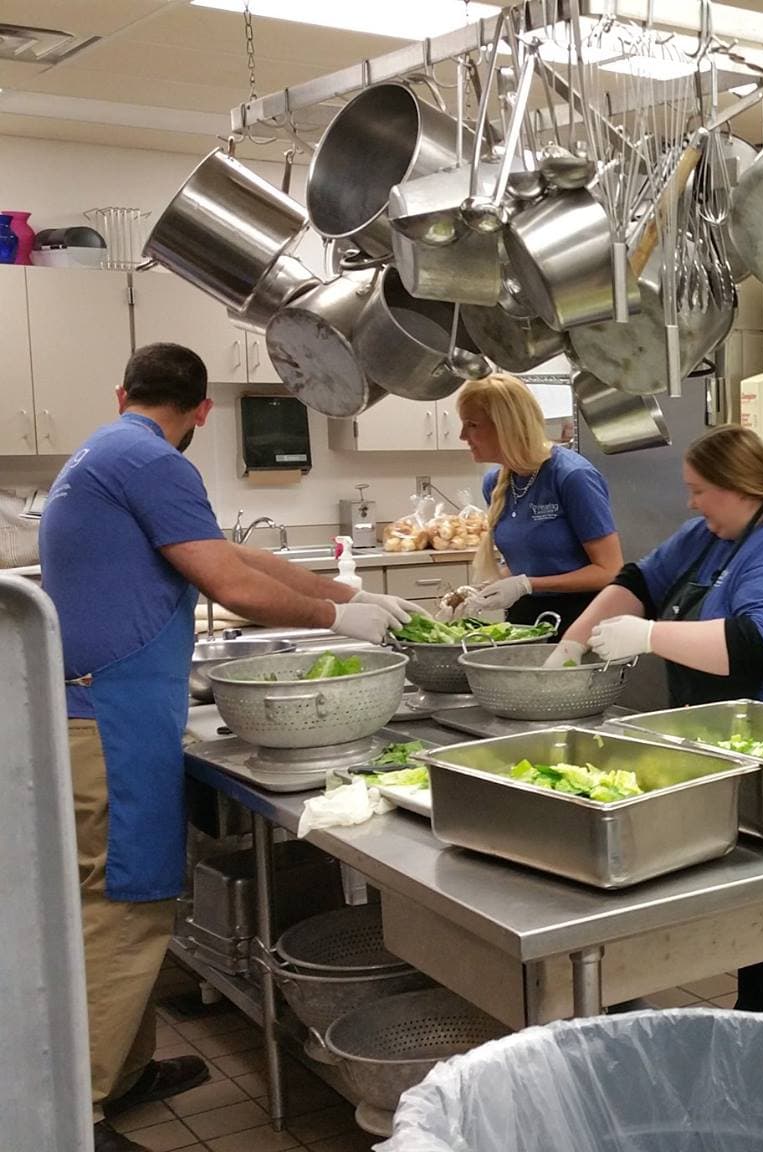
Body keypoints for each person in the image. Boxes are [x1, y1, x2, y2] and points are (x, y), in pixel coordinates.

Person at [38, 344, 413, 1152]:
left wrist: (346, 592)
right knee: (127, 903)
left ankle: (124, 1072)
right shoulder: (152, 462)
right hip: (111, 719)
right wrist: (334, 622)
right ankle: (85, 1113)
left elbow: (234, 555)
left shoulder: (107, 450)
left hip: (99, 711)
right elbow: (232, 587)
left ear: (122, 390)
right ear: (202, 411)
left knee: (116, 905)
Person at [550, 424, 763, 1038]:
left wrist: (649, 638)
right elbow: (638, 581)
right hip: (736, 747)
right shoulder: (712, 535)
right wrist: (567, 652)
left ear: (739, 487)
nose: (691, 503)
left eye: (700, 490)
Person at [447, 373, 623, 628]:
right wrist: (485, 590)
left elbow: (609, 571)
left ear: (506, 425)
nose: (463, 435)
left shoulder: (572, 477)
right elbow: (530, 563)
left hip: (581, 619)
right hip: (526, 620)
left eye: (472, 424)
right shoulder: (495, 484)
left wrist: (527, 584)